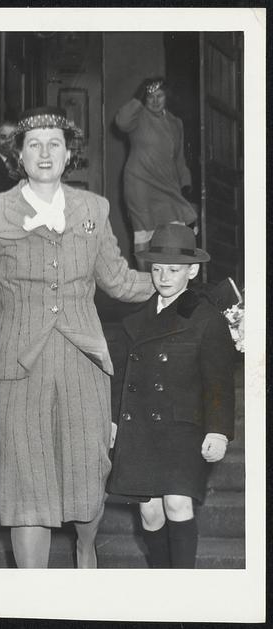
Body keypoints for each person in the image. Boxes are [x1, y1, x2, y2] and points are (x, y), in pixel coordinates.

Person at [0, 106, 155, 568]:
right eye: (34, 144)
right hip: (16, 367)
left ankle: (85, 550)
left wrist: (169, 281)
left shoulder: (94, 208)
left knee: (88, 472)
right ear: (19, 155)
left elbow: (117, 279)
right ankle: (34, 597)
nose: (45, 152)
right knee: (25, 482)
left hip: (83, 361)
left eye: (55, 143)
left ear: (69, 152)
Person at [107, 224, 235, 569]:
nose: (164, 277)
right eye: (158, 268)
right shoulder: (135, 320)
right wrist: (114, 420)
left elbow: (219, 381)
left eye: (174, 270)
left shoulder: (206, 319)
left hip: (182, 427)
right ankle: (162, 585)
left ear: (192, 271)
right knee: (149, 512)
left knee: (177, 504)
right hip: (141, 431)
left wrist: (218, 430)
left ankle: (182, 591)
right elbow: (122, 377)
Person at [115, 77, 197, 266]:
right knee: (144, 235)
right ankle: (146, 288)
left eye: (159, 96)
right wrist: (137, 97)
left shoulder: (176, 123)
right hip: (140, 184)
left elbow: (179, 159)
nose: (154, 101)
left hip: (167, 186)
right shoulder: (138, 116)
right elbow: (121, 121)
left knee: (174, 233)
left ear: (167, 96)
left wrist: (186, 185)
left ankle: (170, 281)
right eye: (150, 96)